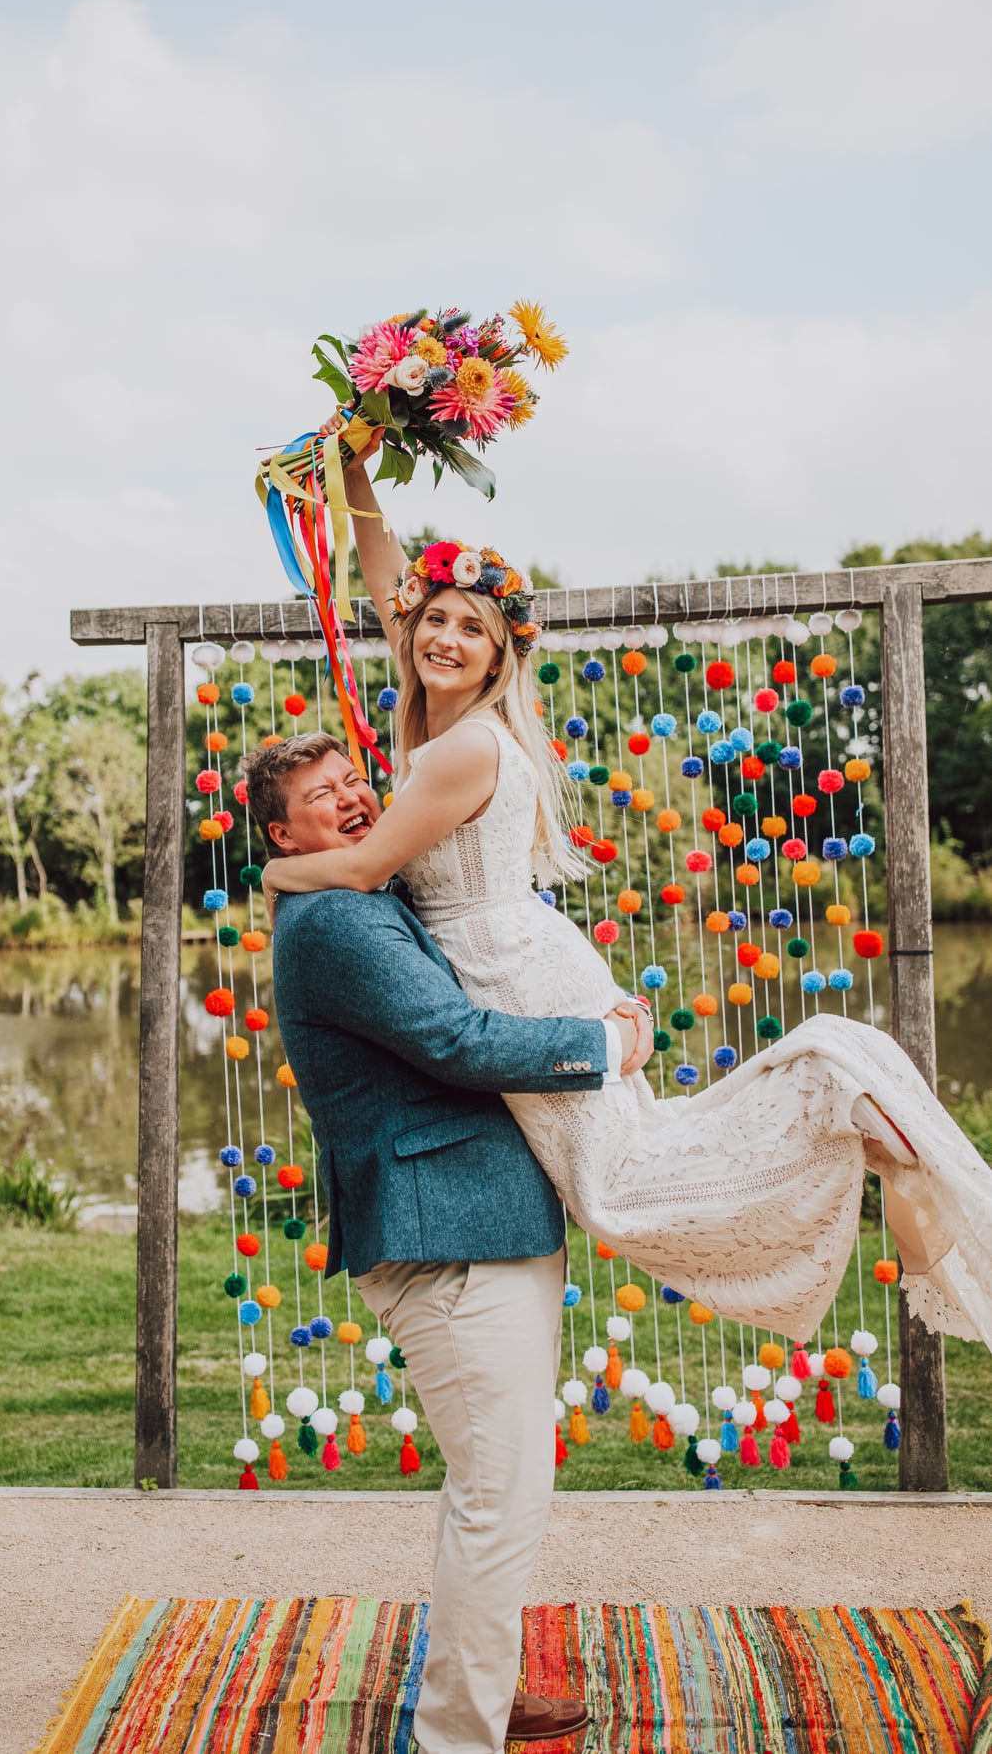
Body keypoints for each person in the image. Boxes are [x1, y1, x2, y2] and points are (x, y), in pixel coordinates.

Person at [261, 422, 992, 1356]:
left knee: (620, 1185)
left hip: (511, 971)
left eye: (470, 629)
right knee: (632, 1161)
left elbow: (361, 870)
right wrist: (354, 466)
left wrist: (279, 870)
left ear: (498, 659)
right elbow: (386, 578)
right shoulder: (433, 730)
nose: (441, 635)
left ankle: (840, 1100)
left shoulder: (468, 747)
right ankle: (845, 1116)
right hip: (509, 957)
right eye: (432, 619)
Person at [250, 730, 654, 1754]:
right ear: (278, 831)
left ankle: (475, 1690)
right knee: (497, 1496)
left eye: (353, 783)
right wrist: (606, 1041)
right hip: (449, 1240)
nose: (347, 801)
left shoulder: (356, 889)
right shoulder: (334, 921)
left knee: (495, 1486)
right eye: (318, 796)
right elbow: (452, 1041)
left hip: (476, 1225)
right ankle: (457, 1735)